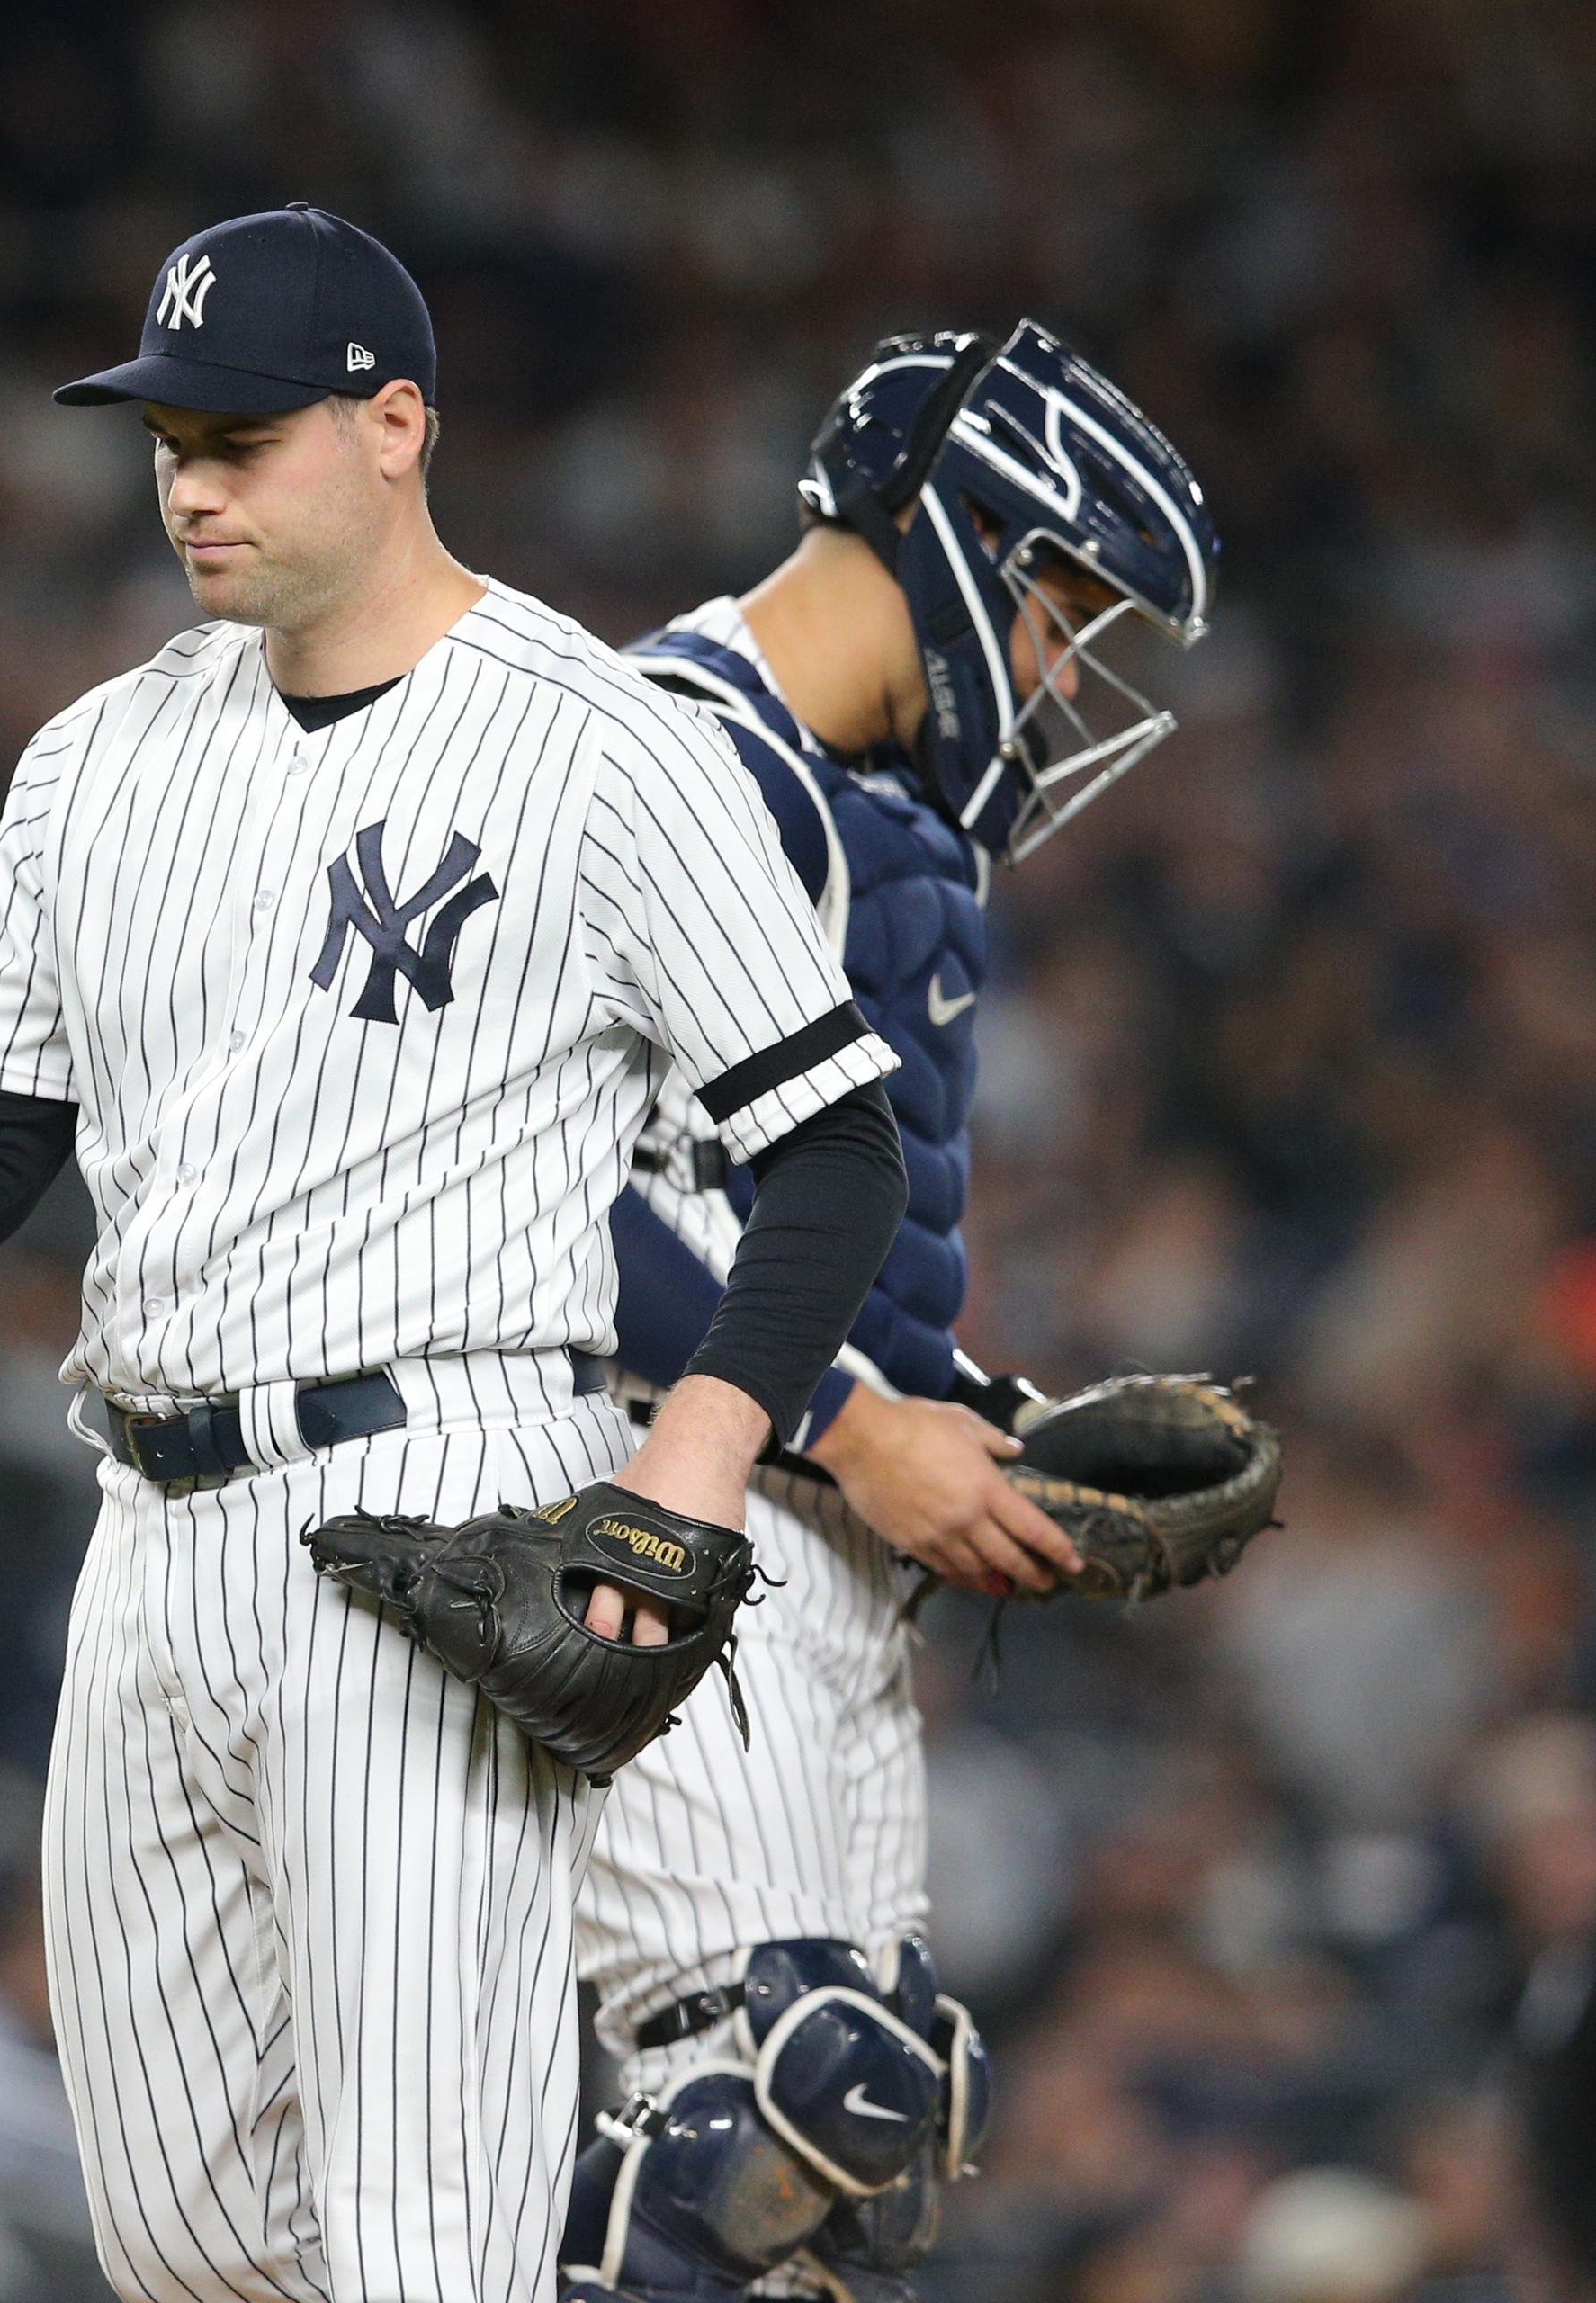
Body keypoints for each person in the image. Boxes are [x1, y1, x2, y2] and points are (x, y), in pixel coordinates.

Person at [0, 205, 908, 2302]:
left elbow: (830, 1144)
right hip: (143, 1533)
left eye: (243, 436)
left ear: (395, 425)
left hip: (435, 1508)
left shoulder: (595, 737)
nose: (192, 482)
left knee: (424, 2246)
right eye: (167, 440)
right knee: (190, 2246)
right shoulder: (96, 757)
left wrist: (687, 1459)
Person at [563, 323, 1219, 2303]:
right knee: (751, 2098)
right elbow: (525, 1192)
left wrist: (976, 1428)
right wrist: (864, 1430)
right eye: (1054, 609)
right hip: (656, 1484)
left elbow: (799, 1226)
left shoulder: (880, 820)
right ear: (954, 532)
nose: (1053, 678)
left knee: (855, 2155)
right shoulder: (664, 749)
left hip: (810, 1524)